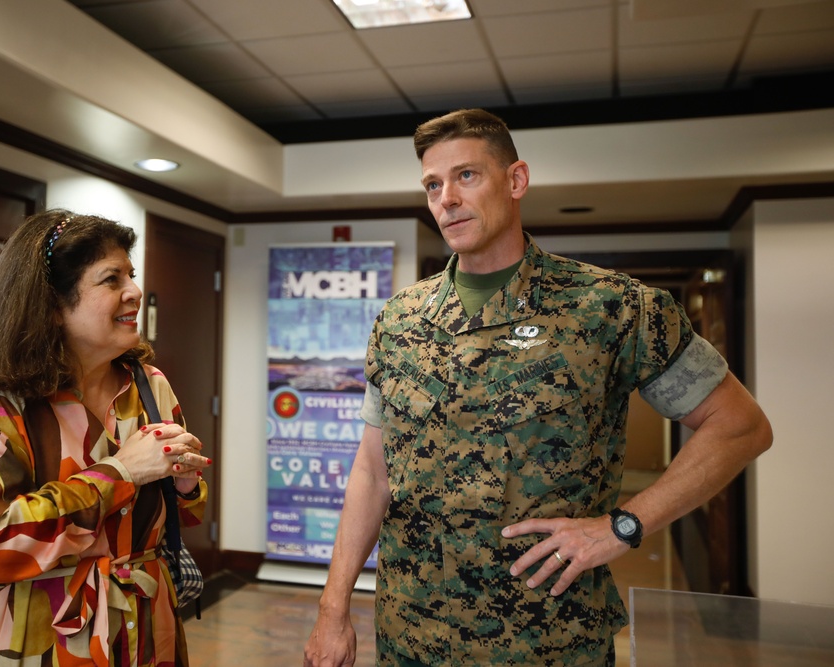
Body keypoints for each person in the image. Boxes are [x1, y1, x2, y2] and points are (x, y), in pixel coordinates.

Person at [304, 109, 773, 666]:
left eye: (466, 176)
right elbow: (372, 470)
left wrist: (624, 525)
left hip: (547, 641)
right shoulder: (400, 320)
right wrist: (333, 610)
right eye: (433, 184)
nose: (446, 198)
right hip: (414, 635)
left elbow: (740, 427)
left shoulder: (611, 307)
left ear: (516, 180)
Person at [0, 209, 211, 666]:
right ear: (53, 305)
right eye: (111, 279)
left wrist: (183, 483)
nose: (135, 292)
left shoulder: (148, 384)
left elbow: (186, 515)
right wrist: (120, 473)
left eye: (131, 275)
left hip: (143, 632)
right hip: (32, 638)